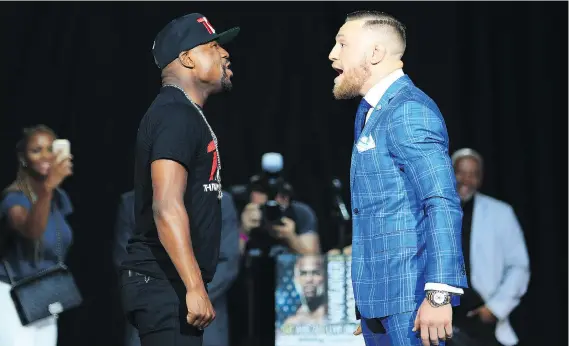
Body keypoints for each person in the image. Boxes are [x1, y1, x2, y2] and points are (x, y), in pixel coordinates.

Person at [328, 11, 467, 346]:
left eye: (342, 44)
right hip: (384, 301)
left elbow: (442, 201)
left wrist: (439, 294)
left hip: (413, 301)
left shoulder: (407, 110)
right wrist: (374, 300)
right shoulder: (372, 112)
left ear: (375, 54)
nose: (333, 54)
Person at [119, 12, 239, 346]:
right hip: (165, 282)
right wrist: (195, 287)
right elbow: (166, 205)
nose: (225, 54)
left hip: (168, 281)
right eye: (213, 47)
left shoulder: (184, 113)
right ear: (186, 58)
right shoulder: (175, 114)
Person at [113, 189, 241, 346]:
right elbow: (126, 261)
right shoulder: (131, 201)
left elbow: (227, 263)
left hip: (202, 320)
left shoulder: (220, 201)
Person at [0, 125, 74, 346]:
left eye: (50, 149)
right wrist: (48, 187)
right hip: (12, 297)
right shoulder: (13, 199)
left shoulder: (58, 199)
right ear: (23, 158)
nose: (45, 156)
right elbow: (32, 232)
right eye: (36, 150)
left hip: (44, 294)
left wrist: (49, 190)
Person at [451, 148, 530, 346]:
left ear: (480, 178)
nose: (466, 180)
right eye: (460, 172)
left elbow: (519, 266)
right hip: (440, 316)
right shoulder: (432, 210)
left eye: (473, 174)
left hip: (482, 317)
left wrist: (495, 308)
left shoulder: (500, 212)